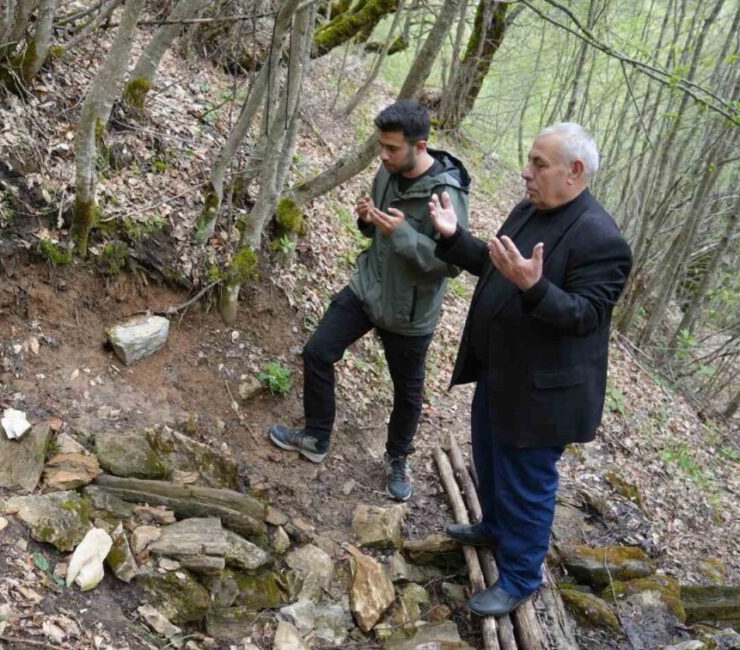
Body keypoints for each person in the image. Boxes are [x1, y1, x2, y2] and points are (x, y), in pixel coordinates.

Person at [428, 122, 632, 616]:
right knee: (492, 461)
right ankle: (494, 527)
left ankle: (520, 577)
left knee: (529, 482)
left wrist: (534, 288)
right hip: (500, 372)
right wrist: (456, 239)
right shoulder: (530, 208)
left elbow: (584, 316)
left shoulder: (602, 239)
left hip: (544, 393)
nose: (526, 172)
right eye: (530, 161)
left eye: (539, 164)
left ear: (575, 172)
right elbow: (499, 263)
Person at [268, 100, 470, 502]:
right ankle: (317, 436)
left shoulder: (446, 193)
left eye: (392, 148)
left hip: (409, 311)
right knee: (318, 352)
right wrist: (366, 219)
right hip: (367, 288)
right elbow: (373, 232)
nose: (383, 155)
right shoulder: (387, 170)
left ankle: (397, 457)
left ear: (420, 145)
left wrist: (402, 235)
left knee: (407, 391)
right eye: (382, 145)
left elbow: (452, 264)